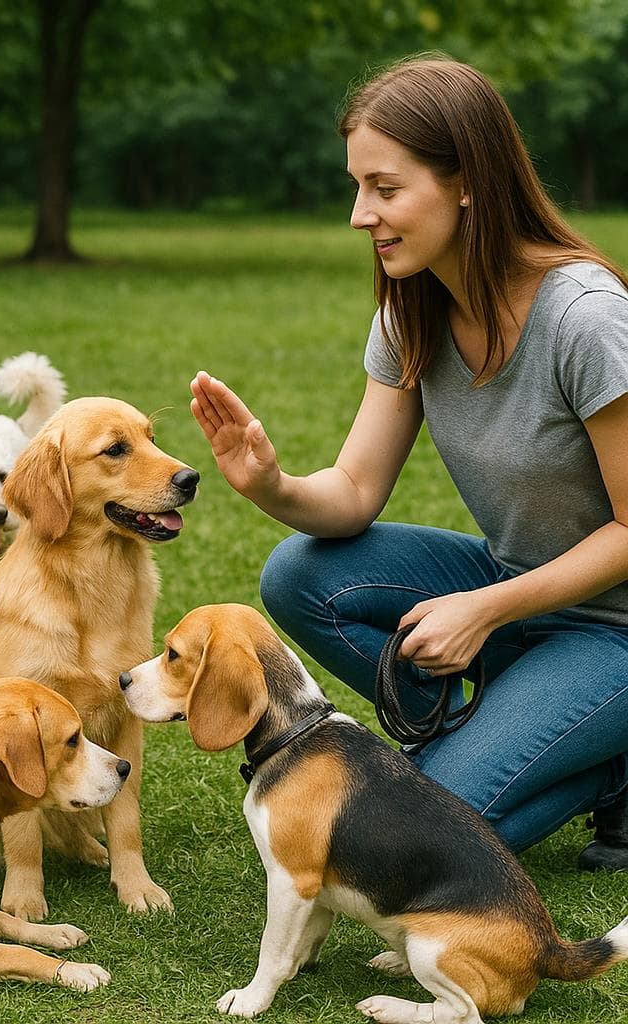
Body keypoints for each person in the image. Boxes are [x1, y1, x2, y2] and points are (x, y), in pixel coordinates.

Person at [190, 56, 628, 868]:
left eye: (385, 189)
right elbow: (353, 493)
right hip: (522, 596)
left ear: (466, 181)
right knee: (299, 573)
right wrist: (270, 484)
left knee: (406, 841)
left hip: (616, 629)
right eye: (358, 188)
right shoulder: (414, 309)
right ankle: (520, 734)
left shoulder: (586, 318)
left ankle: (605, 767)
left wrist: (486, 609)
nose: (361, 215)